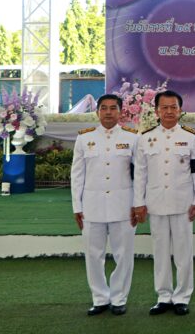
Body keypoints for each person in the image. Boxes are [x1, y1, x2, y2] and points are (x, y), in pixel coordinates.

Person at [133, 90, 195, 316]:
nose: (169, 111)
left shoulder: (191, 137)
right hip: (156, 202)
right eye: (165, 107)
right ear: (157, 111)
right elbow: (140, 174)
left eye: (174, 107)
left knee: (183, 252)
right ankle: (163, 296)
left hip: (183, 202)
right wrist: (138, 202)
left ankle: (182, 297)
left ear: (180, 110)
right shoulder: (145, 138)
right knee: (160, 252)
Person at [71, 94, 138, 316]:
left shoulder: (132, 137)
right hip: (92, 206)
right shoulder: (84, 138)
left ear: (121, 112)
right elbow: (77, 175)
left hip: (123, 205)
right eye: (104, 108)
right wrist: (77, 206)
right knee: (93, 255)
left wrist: (138, 203)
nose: (108, 112)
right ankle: (99, 298)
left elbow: (139, 175)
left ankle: (119, 298)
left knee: (123, 255)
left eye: (113, 108)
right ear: (97, 112)